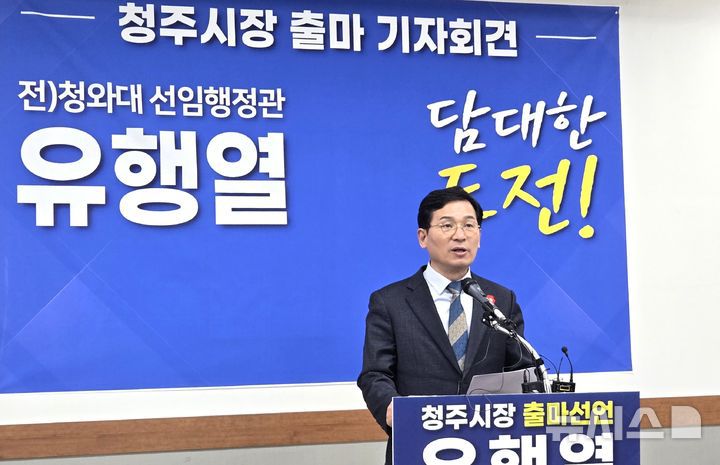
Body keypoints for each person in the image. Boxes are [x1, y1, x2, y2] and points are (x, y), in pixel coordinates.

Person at [357, 186, 531, 465]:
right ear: (422, 237)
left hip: (490, 446)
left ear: (479, 236)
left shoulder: (501, 299)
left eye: (469, 225)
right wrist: (393, 409)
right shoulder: (390, 302)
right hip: (419, 443)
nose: (460, 235)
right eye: (447, 225)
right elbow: (375, 374)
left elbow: (520, 371)